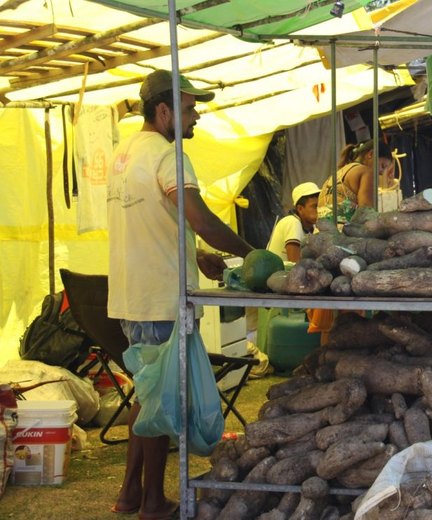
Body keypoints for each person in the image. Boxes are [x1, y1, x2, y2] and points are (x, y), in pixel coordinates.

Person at [106, 70, 254, 519]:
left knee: (146, 396)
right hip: (161, 299)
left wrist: (200, 253)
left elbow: (159, 223)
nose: (196, 118)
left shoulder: (124, 153)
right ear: (164, 111)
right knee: (158, 403)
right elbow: (200, 217)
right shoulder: (170, 156)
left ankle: (131, 495)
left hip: (133, 295)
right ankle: (152, 502)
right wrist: (253, 255)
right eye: (190, 109)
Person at [317, 140, 394, 223]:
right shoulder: (367, 172)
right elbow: (366, 216)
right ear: (371, 154)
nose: (382, 172)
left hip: (321, 233)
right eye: (383, 166)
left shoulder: (337, 174)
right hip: (341, 233)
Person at [267, 182, 320, 262]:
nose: (319, 209)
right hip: (277, 274)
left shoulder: (313, 228)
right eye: (315, 206)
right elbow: (295, 263)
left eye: (320, 205)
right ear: (300, 209)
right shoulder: (292, 222)